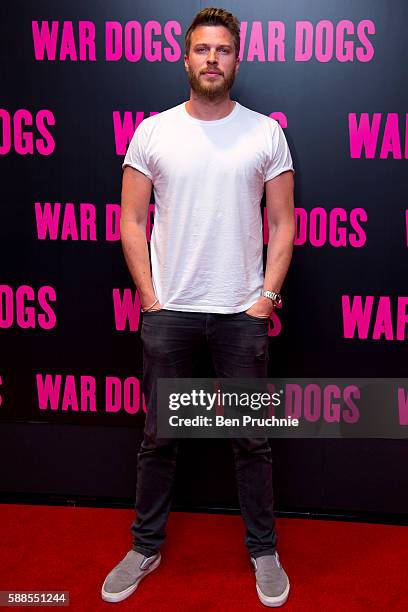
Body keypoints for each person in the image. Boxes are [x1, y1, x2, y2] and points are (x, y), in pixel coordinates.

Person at [101, 6, 295, 608]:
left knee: (251, 441)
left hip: (242, 312)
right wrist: (150, 298)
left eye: (223, 50)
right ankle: (145, 545)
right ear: (185, 58)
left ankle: (263, 550)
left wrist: (266, 298)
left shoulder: (264, 132)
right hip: (171, 312)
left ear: (237, 59)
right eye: (202, 50)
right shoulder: (154, 131)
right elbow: (132, 219)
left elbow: (284, 223)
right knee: (159, 438)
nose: (212, 59)